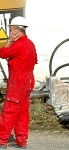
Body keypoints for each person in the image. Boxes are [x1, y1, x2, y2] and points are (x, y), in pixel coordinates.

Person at [0, 16, 37, 149]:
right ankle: (21, 140)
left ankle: (1, 140)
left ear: (16, 30)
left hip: (18, 82)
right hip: (28, 81)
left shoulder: (19, 44)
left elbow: (2, 53)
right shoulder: (30, 44)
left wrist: (9, 41)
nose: (10, 33)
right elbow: (34, 60)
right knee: (22, 111)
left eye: (11, 31)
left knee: (9, 110)